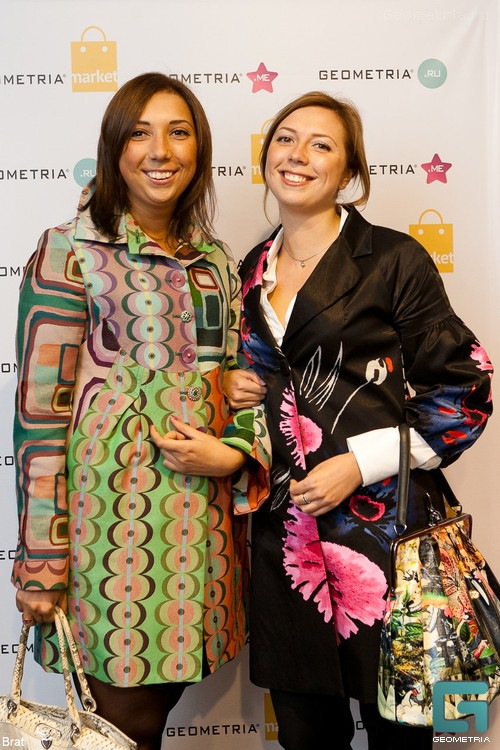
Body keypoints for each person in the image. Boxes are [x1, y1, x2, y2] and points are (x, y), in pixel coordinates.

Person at [225, 91, 494, 750]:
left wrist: (358, 463)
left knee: (405, 732)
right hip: (287, 544)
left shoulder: (393, 259)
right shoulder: (250, 270)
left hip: (389, 537)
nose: (298, 155)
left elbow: (465, 392)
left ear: (348, 172)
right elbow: (267, 389)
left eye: (321, 145)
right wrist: (233, 387)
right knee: (304, 735)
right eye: (286, 138)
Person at [12, 72, 270, 750]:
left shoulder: (215, 261)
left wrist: (238, 448)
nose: (160, 151)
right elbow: (38, 416)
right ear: (114, 148)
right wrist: (41, 557)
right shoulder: (70, 250)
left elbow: (244, 381)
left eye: (178, 133)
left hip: (204, 536)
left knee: (149, 721)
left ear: (199, 149)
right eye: (140, 133)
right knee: (119, 727)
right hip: (109, 538)